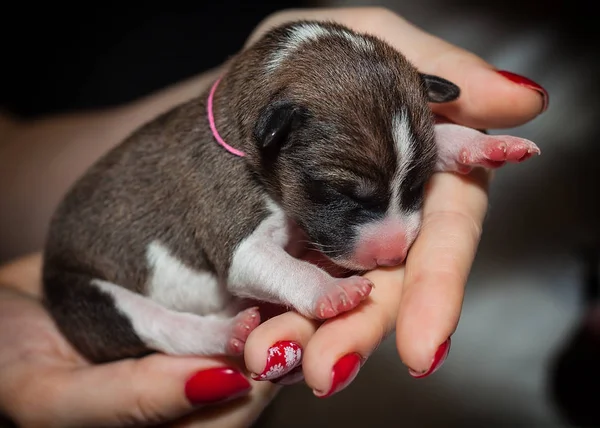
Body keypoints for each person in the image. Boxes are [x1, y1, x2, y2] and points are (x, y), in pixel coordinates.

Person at [0, 6, 548, 427]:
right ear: (272, 135)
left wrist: (452, 143)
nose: (397, 240)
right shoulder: (227, 164)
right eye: (346, 195)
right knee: (153, 318)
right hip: (87, 284)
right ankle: (206, 336)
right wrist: (313, 290)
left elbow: (382, 145)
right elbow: (243, 262)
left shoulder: (294, 126)